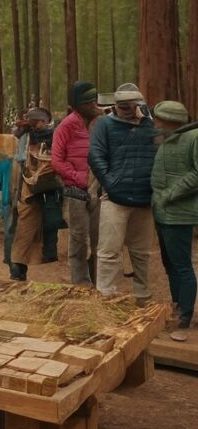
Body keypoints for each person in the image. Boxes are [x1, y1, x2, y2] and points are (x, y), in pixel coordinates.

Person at [88, 85, 157, 300]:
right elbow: (96, 156)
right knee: (108, 251)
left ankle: (142, 295)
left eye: (132, 105)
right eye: (122, 106)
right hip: (114, 199)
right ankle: (105, 295)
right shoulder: (105, 125)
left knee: (141, 252)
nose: (127, 109)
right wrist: (111, 183)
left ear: (139, 104)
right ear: (115, 106)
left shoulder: (150, 126)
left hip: (144, 199)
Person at [150, 101, 198, 341]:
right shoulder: (168, 138)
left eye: (159, 119)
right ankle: (177, 306)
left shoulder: (193, 138)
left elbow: (197, 173)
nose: (156, 124)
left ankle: (185, 316)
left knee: (181, 265)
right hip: (163, 213)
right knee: (170, 265)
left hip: (179, 213)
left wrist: (169, 194)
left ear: (170, 120)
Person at [52, 81, 103, 285]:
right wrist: (79, 178)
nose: (94, 105)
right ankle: (80, 283)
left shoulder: (100, 123)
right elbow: (56, 161)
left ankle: (98, 283)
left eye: (95, 101)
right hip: (75, 192)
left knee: (99, 240)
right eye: (89, 102)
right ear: (78, 105)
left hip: (98, 190)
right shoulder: (66, 125)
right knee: (79, 240)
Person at [8, 107, 65, 281]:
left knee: (51, 223)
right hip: (29, 188)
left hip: (50, 188)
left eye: (40, 120)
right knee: (25, 229)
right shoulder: (23, 136)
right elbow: (18, 160)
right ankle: (17, 269)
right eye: (35, 121)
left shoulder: (57, 135)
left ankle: (48, 256)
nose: (38, 124)